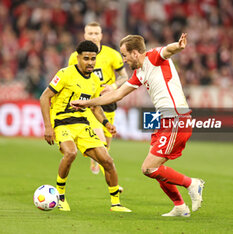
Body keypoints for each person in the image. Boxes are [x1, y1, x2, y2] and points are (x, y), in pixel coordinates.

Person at [71, 33, 205, 217]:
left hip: (177, 119)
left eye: (125, 55)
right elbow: (117, 95)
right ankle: (180, 206)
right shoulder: (140, 73)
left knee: (149, 168)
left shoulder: (154, 57)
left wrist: (179, 46)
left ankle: (192, 184)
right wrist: (86, 103)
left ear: (135, 53)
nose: (124, 60)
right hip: (164, 121)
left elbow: (168, 50)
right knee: (158, 169)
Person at [40, 40, 131, 212]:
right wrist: (48, 127)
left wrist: (106, 123)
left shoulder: (95, 80)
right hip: (61, 122)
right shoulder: (65, 73)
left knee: (107, 161)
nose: (90, 62)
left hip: (82, 124)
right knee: (70, 153)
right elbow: (45, 97)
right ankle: (60, 197)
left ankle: (116, 204)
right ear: (78, 58)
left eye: (93, 59)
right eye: (86, 58)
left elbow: (95, 107)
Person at [68, 22, 128, 175]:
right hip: (90, 104)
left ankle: (97, 160)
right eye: (90, 33)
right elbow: (72, 79)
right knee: (100, 141)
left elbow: (124, 76)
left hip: (108, 102)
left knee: (107, 142)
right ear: (84, 35)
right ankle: (112, 180)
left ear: (101, 35)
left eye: (96, 33)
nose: (93, 36)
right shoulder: (75, 57)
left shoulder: (112, 55)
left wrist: (113, 87)